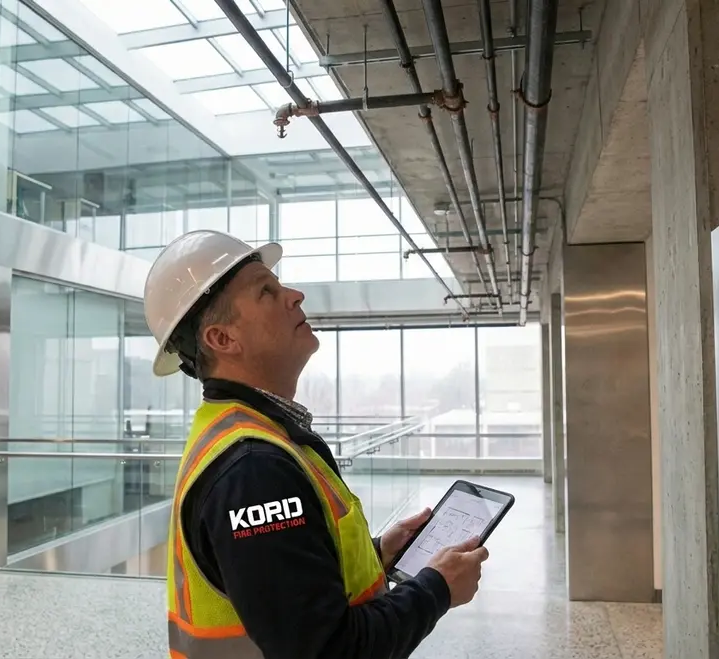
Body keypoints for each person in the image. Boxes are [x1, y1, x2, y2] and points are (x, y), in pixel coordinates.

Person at [143, 230, 490, 659]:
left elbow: (286, 592)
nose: (295, 294)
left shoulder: (259, 434)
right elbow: (327, 650)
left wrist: (379, 553)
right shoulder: (253, 468)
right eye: (266, 291)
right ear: (222, 339)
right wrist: (436, 588)